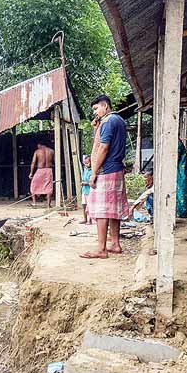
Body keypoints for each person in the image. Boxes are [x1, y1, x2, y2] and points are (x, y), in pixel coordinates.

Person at [81, 95, 127, 259]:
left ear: (105, 106)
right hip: (117, 169)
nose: (95, 112)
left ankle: (101, 249)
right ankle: (115, 243)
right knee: (113, 209)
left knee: (101, 210)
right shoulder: (119, 120)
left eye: (96, 108)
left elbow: (103, 147)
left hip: (106, 171)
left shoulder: (107, 122)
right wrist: (96, 128)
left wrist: (93, 172)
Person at [29, 143, 55, 207]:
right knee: (49, 186)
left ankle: (34, 203)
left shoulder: (37, 151)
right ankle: (48, 204)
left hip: (40, 170)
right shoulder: (51, 151)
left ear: (39, 144)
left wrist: (31, 173)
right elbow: (55, 161)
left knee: (33, 185)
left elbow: (33, 163)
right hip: (49, 170)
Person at [80, 155, 92, 224]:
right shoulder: (85, 169)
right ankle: (85, 219)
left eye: (87, 163)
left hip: (89, 191)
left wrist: (85, 183)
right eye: (85, 163)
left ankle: (89, 220)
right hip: (84, 190)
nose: (86, 164)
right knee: (84, 205)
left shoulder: (93, 170)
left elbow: (92, 182)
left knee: (89, 205)